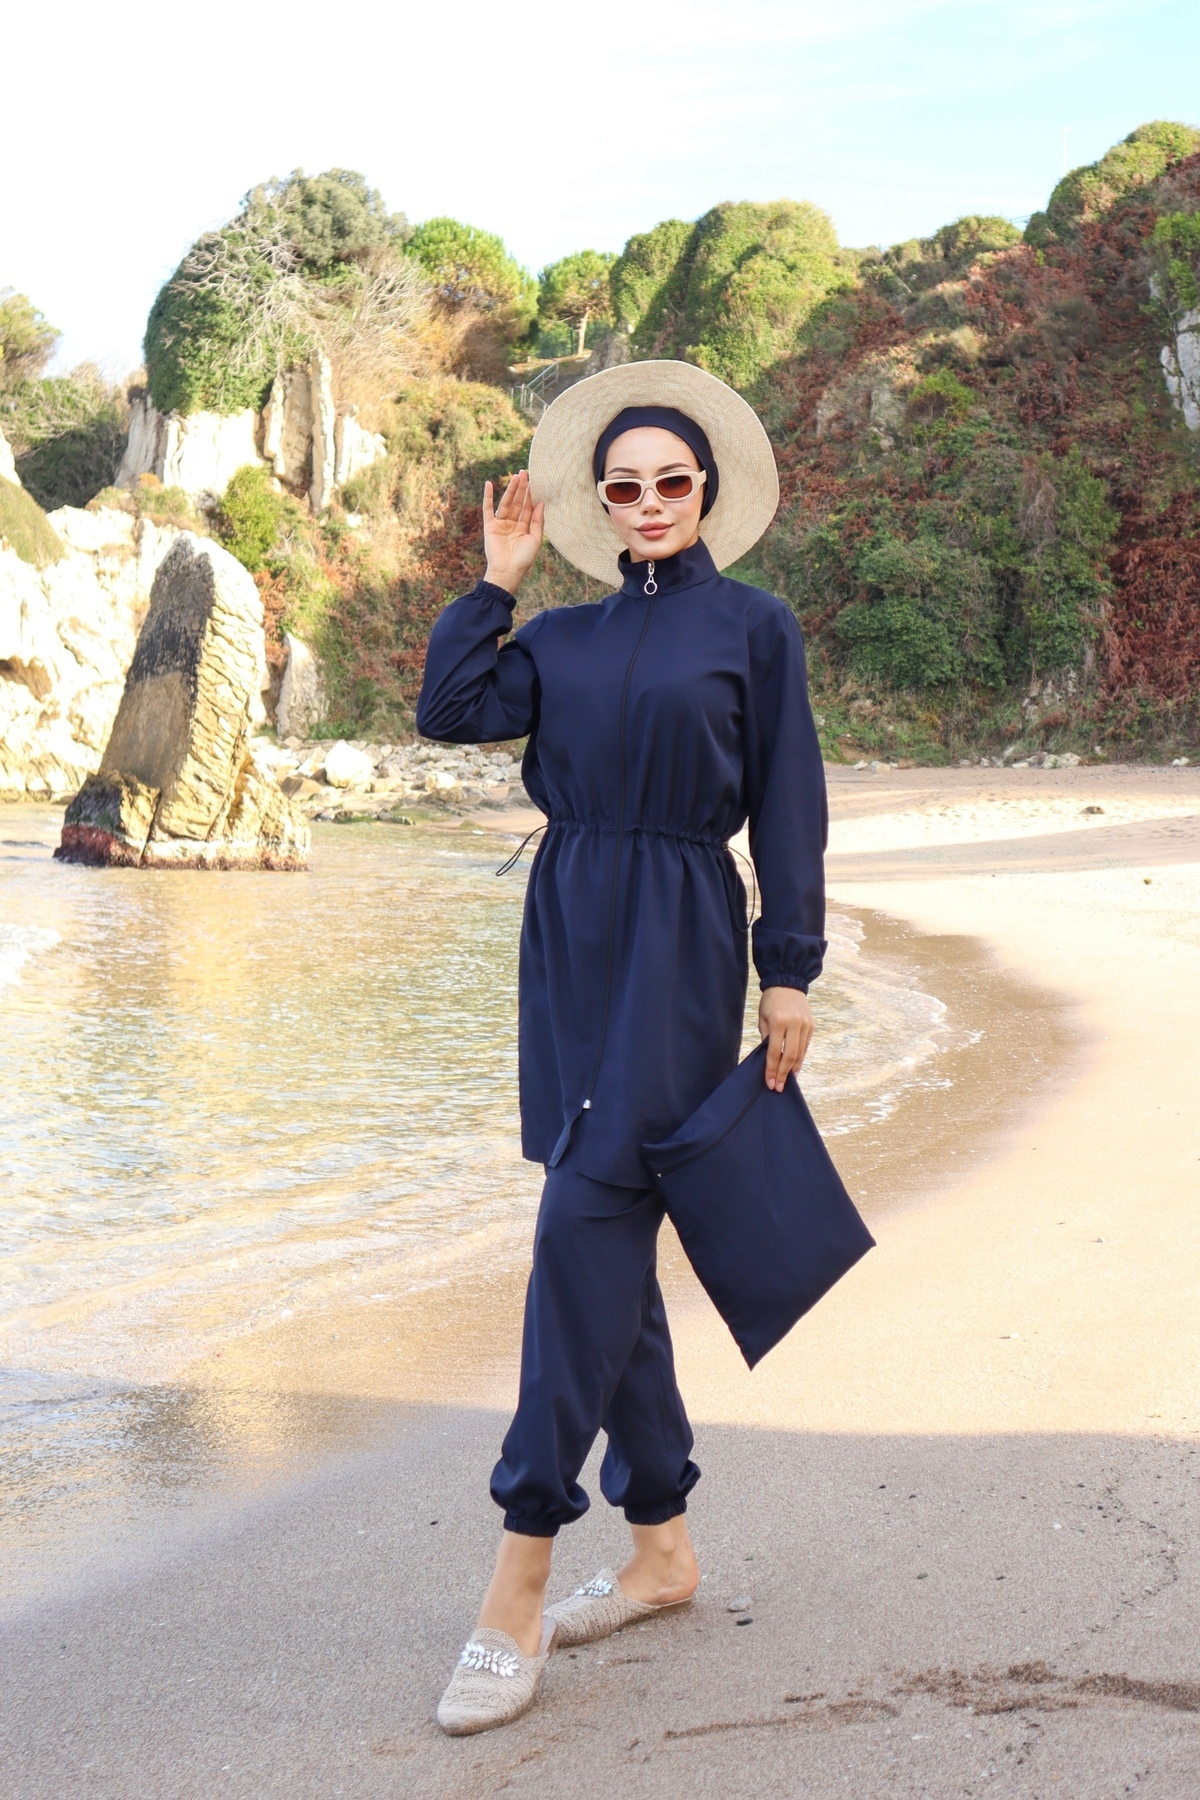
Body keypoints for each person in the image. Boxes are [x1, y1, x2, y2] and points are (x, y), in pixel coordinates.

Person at [416, 361, 827, 1736]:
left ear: (707, 492)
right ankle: (660, 1547)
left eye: (672, 482)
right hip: (567, 935)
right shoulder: (564, 639)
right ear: (599, 503)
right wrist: (497, 581)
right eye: (626, 485)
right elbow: (451, 710)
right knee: (610, 1221)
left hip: (683, 935)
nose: (650, 501)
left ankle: (517, 1577)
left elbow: (789, 804)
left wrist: (789, 970)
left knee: (580, 1222)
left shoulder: (754, 628)